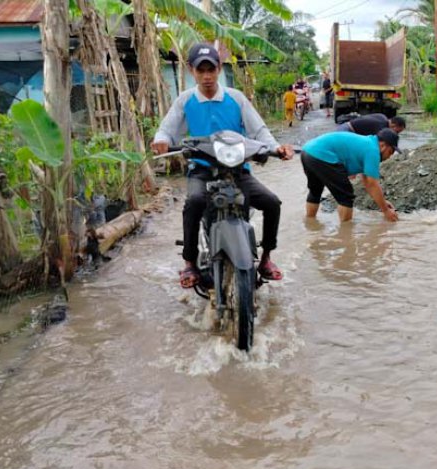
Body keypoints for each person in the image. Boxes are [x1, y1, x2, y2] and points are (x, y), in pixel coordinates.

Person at [151, 43, 294, 287]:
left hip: (237, 170)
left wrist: (275, 148)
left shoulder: (235, 98)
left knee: (272, 203)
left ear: (219, 69)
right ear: (191, 71)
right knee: (194, 202)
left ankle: (267, 257)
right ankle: (189, 263)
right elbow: (167, 128)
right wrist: (162, 140)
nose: (207, 76)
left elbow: (258, 129)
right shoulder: (185, 101)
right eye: (201, 70)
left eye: (211, 70)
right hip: (202, 169)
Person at [302, 128, 400, 223]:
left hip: (307, 152)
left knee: (315, 191)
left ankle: (310, 224)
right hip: (322, 154)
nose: (389, 157)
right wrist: (386, 211)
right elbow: (372, 183)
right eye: (390, 152)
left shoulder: (368, 143)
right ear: (383, 145)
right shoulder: (373, 150)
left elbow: (366, 180)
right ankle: (345, 233)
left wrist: (382, 203)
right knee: (346, 196)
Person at [336, 113, 406, 135]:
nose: (396, 134)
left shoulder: (383, 116)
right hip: (346, 130)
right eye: (397, 132)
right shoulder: (381, 127)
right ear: (393, 126)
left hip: (345, 126)